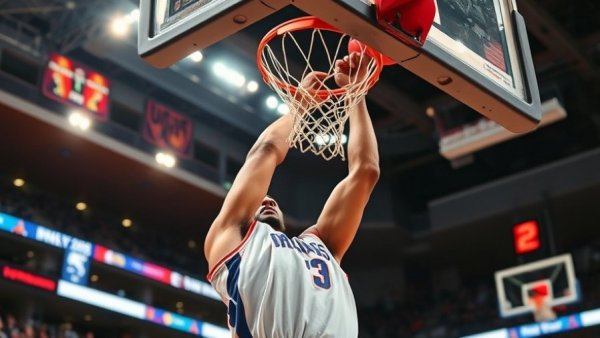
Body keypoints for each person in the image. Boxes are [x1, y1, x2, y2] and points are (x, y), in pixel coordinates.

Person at [204, 51, 380, 337]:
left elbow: (366, 172)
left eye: (271, 199)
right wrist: (300, 106)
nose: (269, 199)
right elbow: (265, 150)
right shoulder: (230, 239)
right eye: (261, 200)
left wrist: (355, 93)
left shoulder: (325, 246)